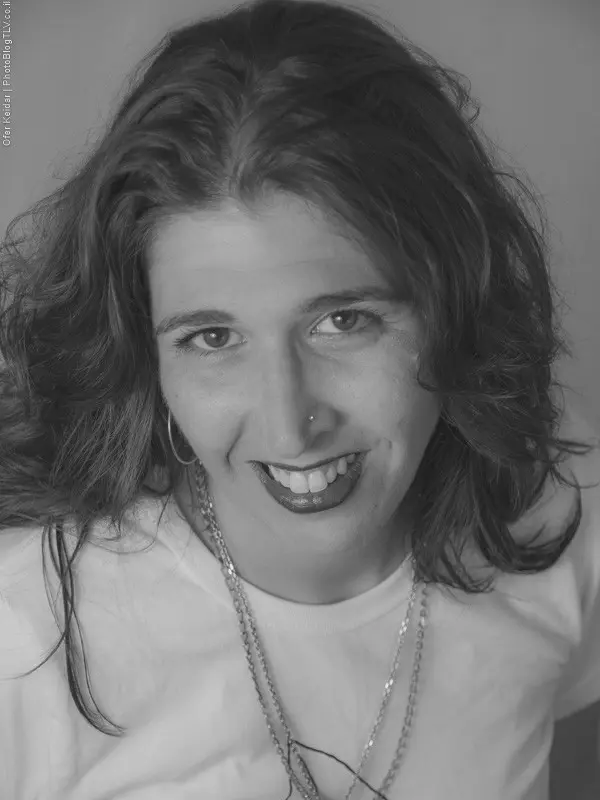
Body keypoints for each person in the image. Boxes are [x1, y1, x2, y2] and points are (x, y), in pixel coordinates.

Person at [0, 0, 599, 798]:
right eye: (212, 337)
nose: (290, 427)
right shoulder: (22, 631)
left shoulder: (561, 506)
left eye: (342, 322)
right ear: (147, 355)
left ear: (454, 301)